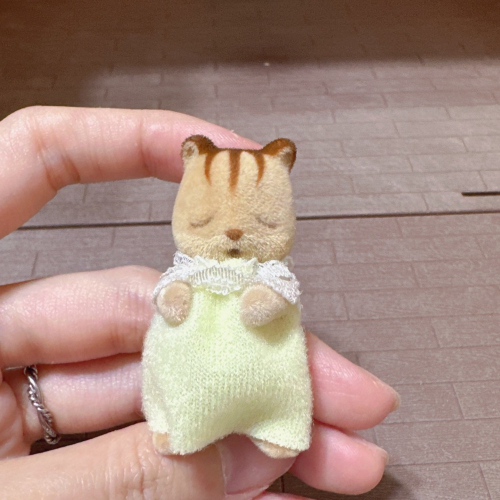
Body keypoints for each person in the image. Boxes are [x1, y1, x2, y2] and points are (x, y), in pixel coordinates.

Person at [0, 106, 399, 499]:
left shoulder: (272, 276)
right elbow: (168, 291)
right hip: (194, 337)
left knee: (281, 379)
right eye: (204, 221)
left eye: (264, 222)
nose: (234, 230)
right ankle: (177, 425)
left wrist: (267, 300)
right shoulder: (188, 272)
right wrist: (173, 295)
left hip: (264, 346)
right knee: (174, 373)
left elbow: (281, 294)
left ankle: (277, 425)